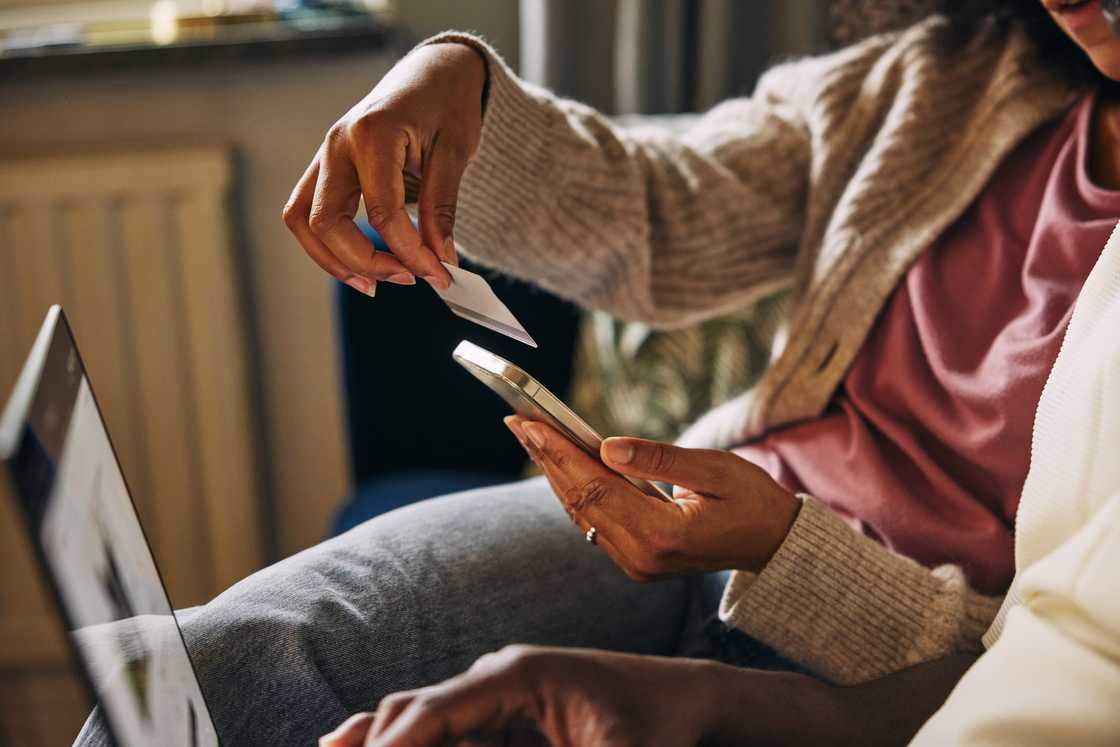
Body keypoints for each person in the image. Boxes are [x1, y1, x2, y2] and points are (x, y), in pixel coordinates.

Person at [73, 1, 1119, 745]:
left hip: (892, 648)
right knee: (225, 659)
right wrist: (460, 86)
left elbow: (1060, 660)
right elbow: (660, 213)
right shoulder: (947, 80)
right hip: (696, 512)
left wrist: (786, 552)